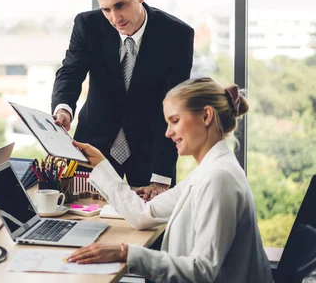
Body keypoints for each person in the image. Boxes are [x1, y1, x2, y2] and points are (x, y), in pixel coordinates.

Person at [68, 77, 272, 282]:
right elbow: (143, 214)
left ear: (206, 115)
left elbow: (203, 271)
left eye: (175, 121)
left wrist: (127, 254)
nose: (168, 133)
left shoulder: (219, 179)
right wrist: (100, 163)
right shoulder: (208, 172)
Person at [52, 0, 194, 200]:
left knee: (151, 230)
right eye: (106, 9)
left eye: (120, 5)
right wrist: (63, 108)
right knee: (83, 224)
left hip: (152, 151)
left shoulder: (176, 35)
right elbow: (70, 72)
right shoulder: (87, 26)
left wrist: (161, 176)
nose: (115, 18)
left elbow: (175, 109)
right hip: (94, 147)